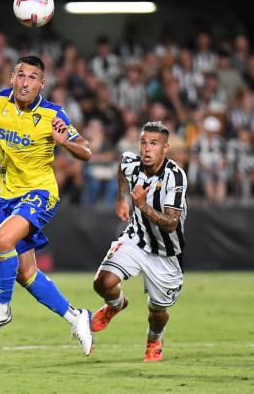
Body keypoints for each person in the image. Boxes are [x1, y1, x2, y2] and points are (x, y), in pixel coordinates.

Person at [0, 55, 94, 355]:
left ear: (41, 84)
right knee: (25, 273)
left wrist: (65, 142)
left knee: (2, 238)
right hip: (9, 196)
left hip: (40, 193)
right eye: (21, 75)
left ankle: (1, 309)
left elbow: (85, 151)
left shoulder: (52, 113)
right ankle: (76, 316)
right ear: (12, 78)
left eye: (33, 77)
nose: (25, 82)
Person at [92, 121, 188, 362]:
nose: (146, 148)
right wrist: (121, 199)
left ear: (165, 148)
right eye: (143, 142)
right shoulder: (131, 163)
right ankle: (115, 304)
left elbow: (171, 223)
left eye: (153, 144)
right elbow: (121, 167)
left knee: (157, 311)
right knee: (102, 283)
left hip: (166, 254)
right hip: (137, 238)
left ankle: (155, 339)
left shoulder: (175, 177)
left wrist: (142, 205)